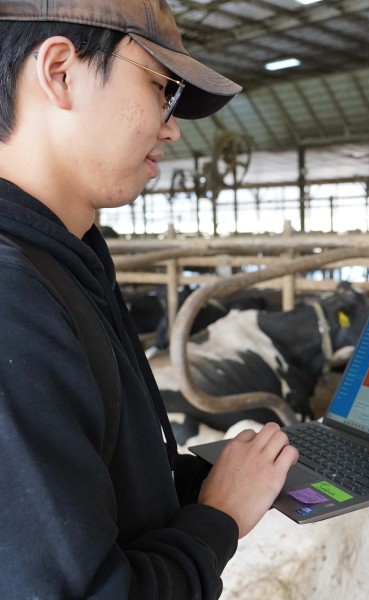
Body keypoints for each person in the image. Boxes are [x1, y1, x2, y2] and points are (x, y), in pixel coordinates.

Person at [0, 1, 299, 598]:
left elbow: (97, 484)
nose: (172, 126)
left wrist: (205, 480)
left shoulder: (68, 254)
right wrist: (218, 520)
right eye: (161, 87)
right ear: (60, 72)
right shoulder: (12, 298)